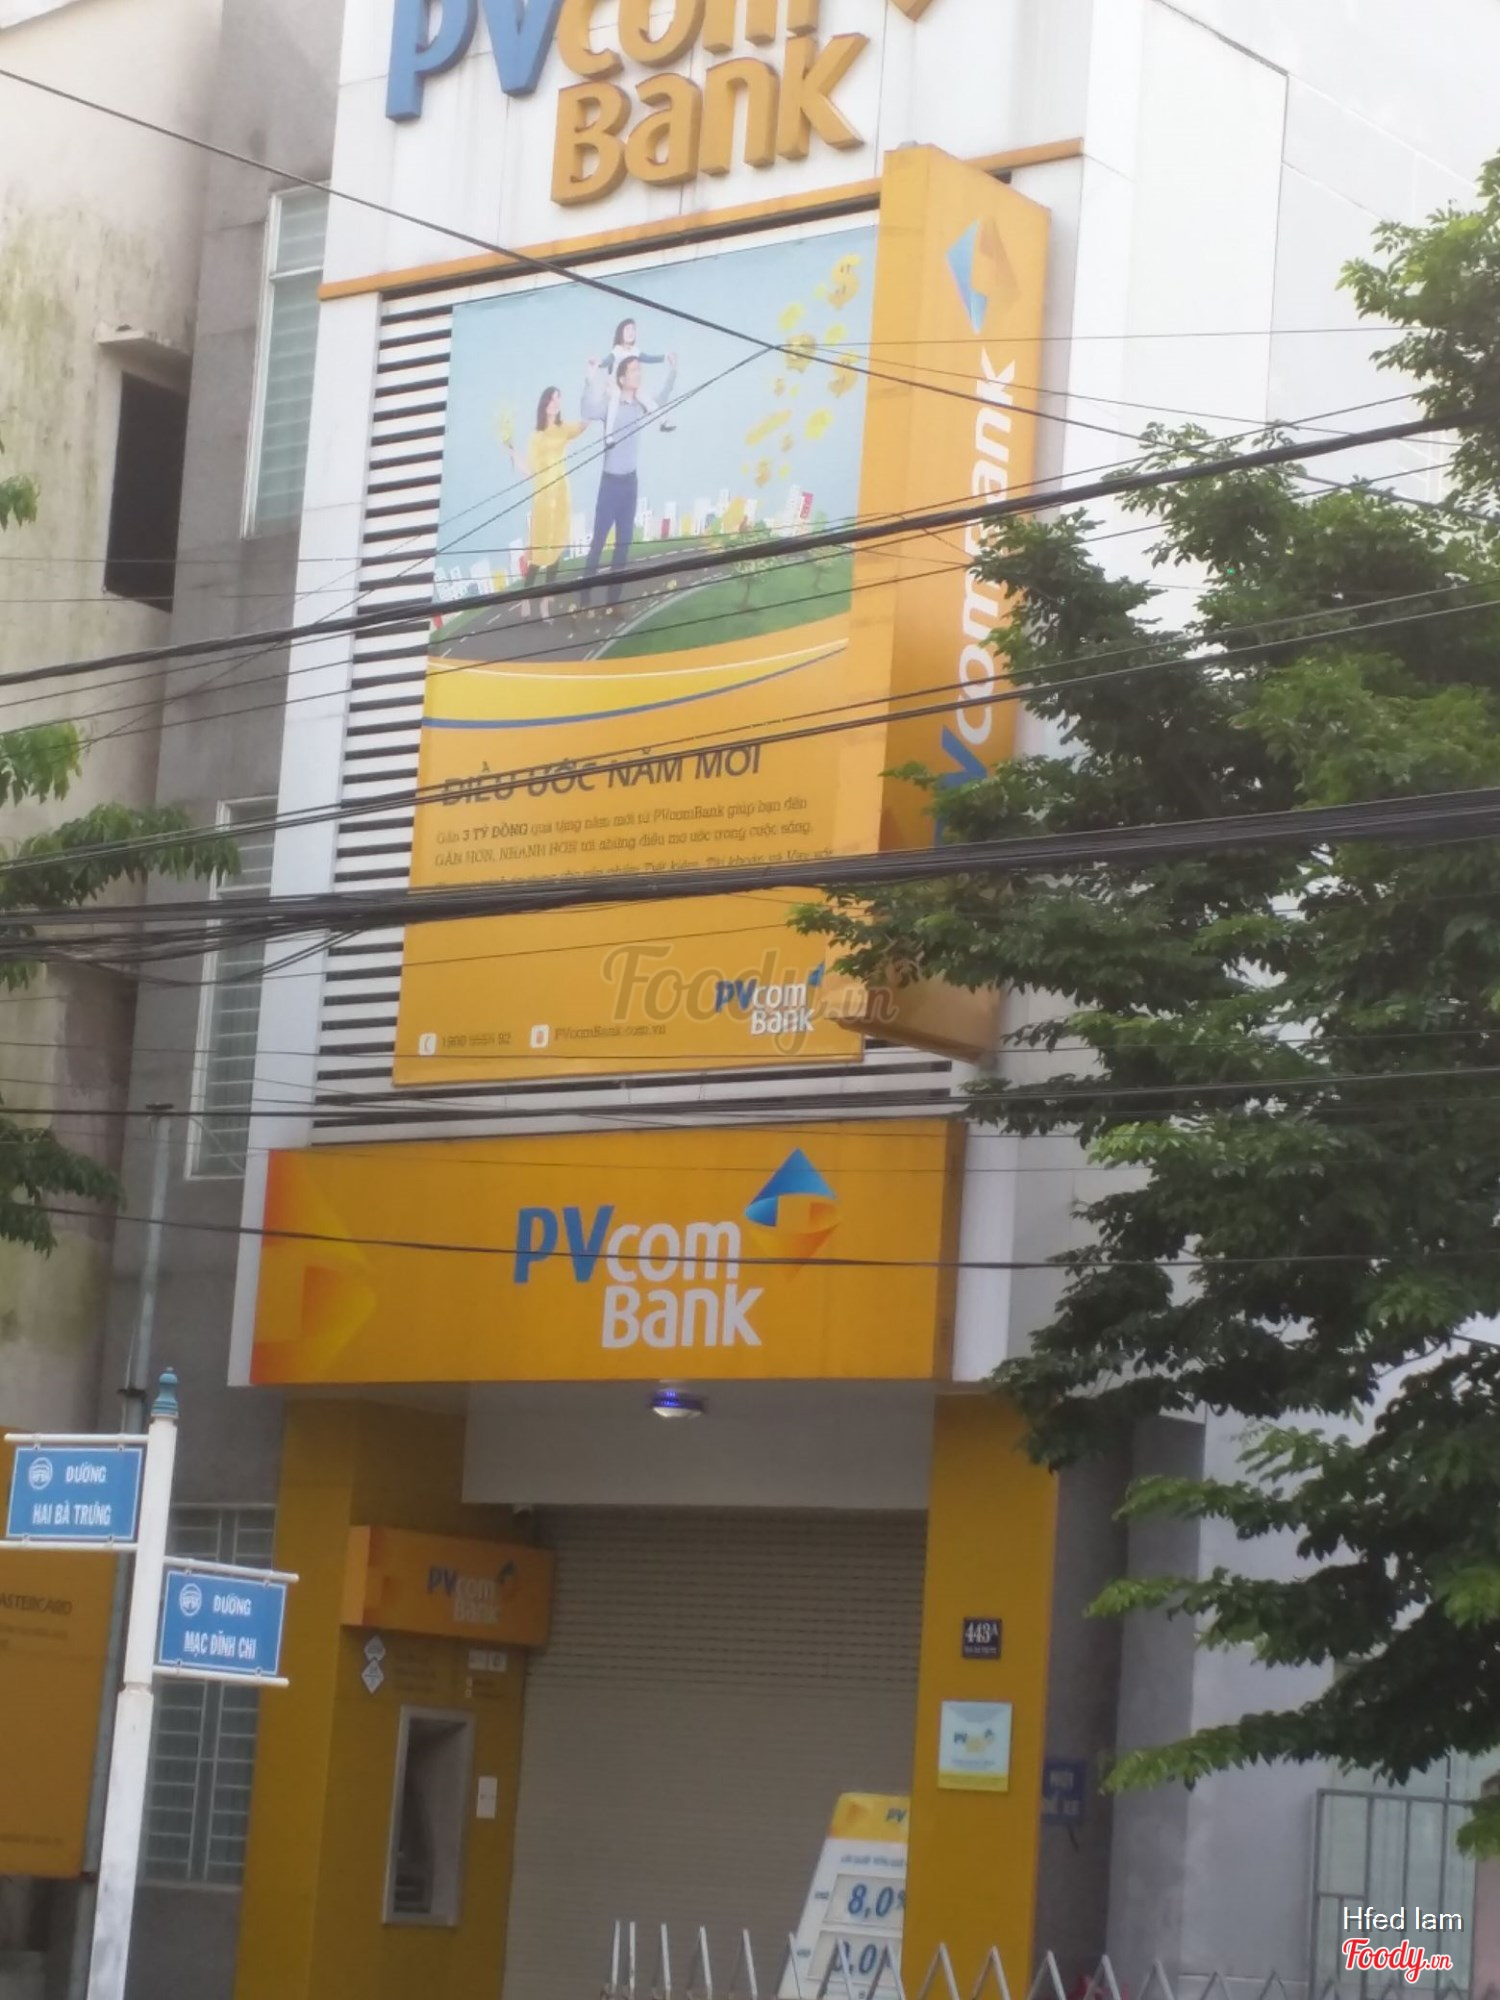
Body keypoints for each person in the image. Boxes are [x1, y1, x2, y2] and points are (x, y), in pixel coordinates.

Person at [580, 349, 678, 606]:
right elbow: (588, 410)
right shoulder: (609, 404)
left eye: (639, 369)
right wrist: (590, 378)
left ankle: (613, 602)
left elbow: (661, 400)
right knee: (598, 544)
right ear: (622, 379)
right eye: (634, 370)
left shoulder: (640, 405)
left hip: (629, 485)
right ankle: (584, 599)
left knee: (623, 546)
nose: (639, 373)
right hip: (610, 485)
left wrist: (672, 372)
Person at [506, 386, 587, 618]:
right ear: (544, 403)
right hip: (543, 499)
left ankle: (545, 602)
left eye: (558, 398)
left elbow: (583, 425)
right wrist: (512, 452)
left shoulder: (563, 429)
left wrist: (593, 389)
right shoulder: (536, 436)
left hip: (561, 496)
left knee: (556, 549)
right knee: (539, 552)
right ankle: (526, 597)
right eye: (552, 399)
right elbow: (530, 470)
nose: (556, 403)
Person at [605, 319, 676, 431]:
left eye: (633, 329)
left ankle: (663, 422)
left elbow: (648, 358)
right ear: (621, 333)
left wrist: (665, 357)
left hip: (630, 384)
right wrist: (599, 364)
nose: (631, 332)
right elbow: (608, 360)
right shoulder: (617, 350)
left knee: (645, 397)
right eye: (627, 329)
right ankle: (608, 434)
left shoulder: (635, 350)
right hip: (616, 383)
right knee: (615, 397)